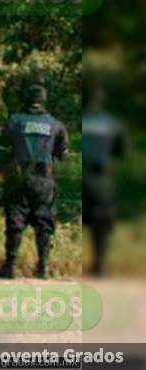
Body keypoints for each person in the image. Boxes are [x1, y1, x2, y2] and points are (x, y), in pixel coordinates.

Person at [0, 84, 68, 278]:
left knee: (15, 223)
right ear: (44, 101)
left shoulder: (15, 121)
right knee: (43, 224)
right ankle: (42, 268)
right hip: (44, 181)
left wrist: (2, 171)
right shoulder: (56, 125)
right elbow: (63, 156)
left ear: (26, 100)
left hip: (18, 180)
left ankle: (10, 267)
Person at [82, 83, 126, 276]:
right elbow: (120, 154)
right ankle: (99, 267)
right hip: (101, 179)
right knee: (101, 222)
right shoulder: (114, 124)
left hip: (81, 177)